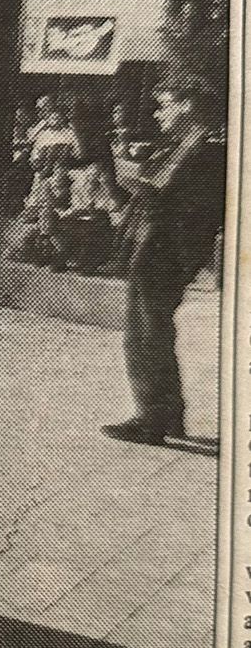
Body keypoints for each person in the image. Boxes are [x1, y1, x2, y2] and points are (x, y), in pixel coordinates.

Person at [103, 84, 227, 444]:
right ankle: (167, 415)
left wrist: (120, 171)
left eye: (165, 106)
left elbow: (166, 198)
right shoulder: (194, 144)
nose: (158, 114)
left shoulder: (201, 147)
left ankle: (152, 419)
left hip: (165, 250)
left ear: (188, 106)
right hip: (164, 247)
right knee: (152, 330)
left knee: (145, 333)